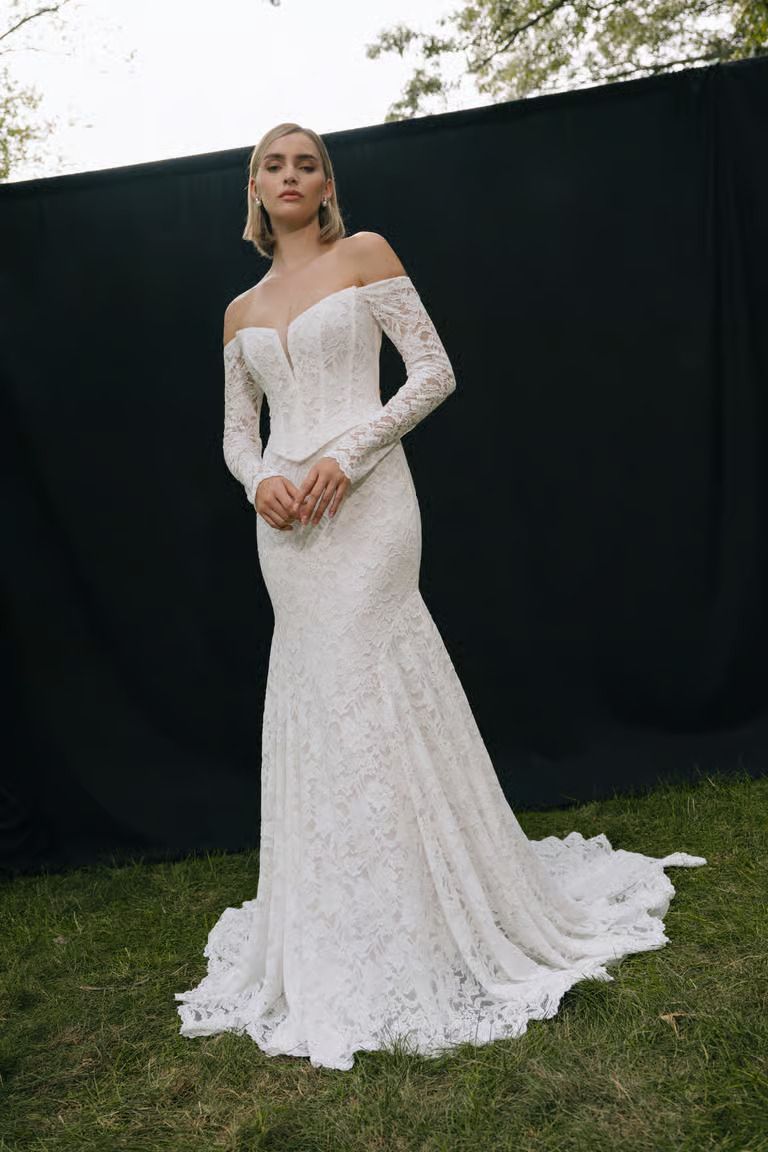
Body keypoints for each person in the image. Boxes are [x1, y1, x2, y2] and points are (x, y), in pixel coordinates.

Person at [174, 122, 707, 1072]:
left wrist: (350, 452)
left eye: (306, 164)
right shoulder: (237, 310)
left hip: (370, 501)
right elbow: (234, 435)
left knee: (375, 681)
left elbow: (433, 370)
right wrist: (258, 482)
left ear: (326, 184)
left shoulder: (364, 253)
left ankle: (431, 912)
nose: (290, 177)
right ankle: (343, 912)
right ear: (252, 188)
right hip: (285, 528)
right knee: (317, 697)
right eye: (273, 165)